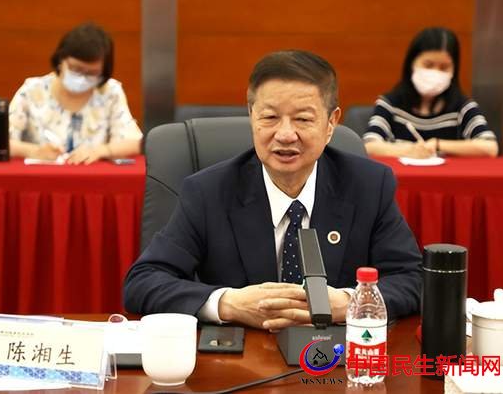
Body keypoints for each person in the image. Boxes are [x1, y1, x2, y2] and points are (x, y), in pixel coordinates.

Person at [124, 50, 422, 331]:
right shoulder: (208, 192)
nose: (285, 135)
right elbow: (143, 282)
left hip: (335, 356)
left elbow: (413, 279)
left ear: (331, 123)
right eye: (270, 117)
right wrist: (228, 303)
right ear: (251, 116)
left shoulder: (368, 185)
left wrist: (350, 303)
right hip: (241, 356)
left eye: (303, 119)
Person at [0, 22, 142, 164]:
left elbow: (134, 143)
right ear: (61, 60)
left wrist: (100, 151)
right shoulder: (33, 89)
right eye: (76, 69)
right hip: (41, 179)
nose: (82, 78)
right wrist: (34, 151)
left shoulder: (110, 92)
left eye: (92, 73)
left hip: (93, 179)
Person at [363, 27, 498, 158]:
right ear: (412, 63)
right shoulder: (390, 104)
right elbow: (369, 145)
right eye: (428, 65)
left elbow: (490, 147)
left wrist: (437, 144)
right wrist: (409, 150)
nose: (435, 72)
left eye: (444, 67)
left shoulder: (463, 107)